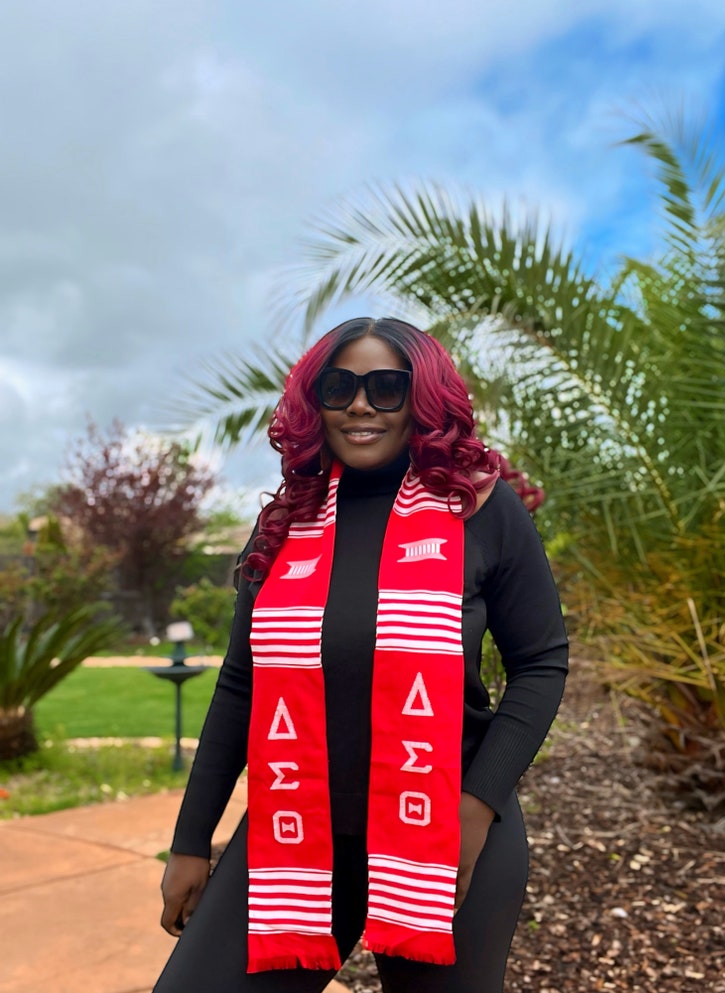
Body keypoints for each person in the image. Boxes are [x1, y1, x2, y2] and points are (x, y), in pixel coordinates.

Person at [154, 317, 568, 993]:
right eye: (339, 385)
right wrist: (191, 841)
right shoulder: (287, 521)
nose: (360, 403)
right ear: (313, 400)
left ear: (422, 399)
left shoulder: (479, 507)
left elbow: (542, 663)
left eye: (387, 386)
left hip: (442, 827)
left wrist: (475, 810)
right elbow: (239, 685)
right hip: (298, 827)